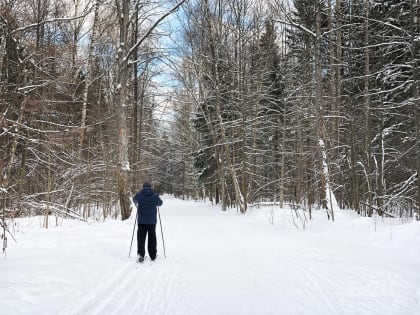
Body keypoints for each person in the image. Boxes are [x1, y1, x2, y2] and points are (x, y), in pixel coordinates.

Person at [133, 181, 163, 263]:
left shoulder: (139, 194)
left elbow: (134, 200)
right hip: (152, 221)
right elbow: (160, 203)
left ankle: (141, 256)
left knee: (141, 238)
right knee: (152, 238)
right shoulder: (154, 195)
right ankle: (153, 256)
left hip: (141, 221)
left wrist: (138, 204)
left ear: (143, 187)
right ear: (150, 187)